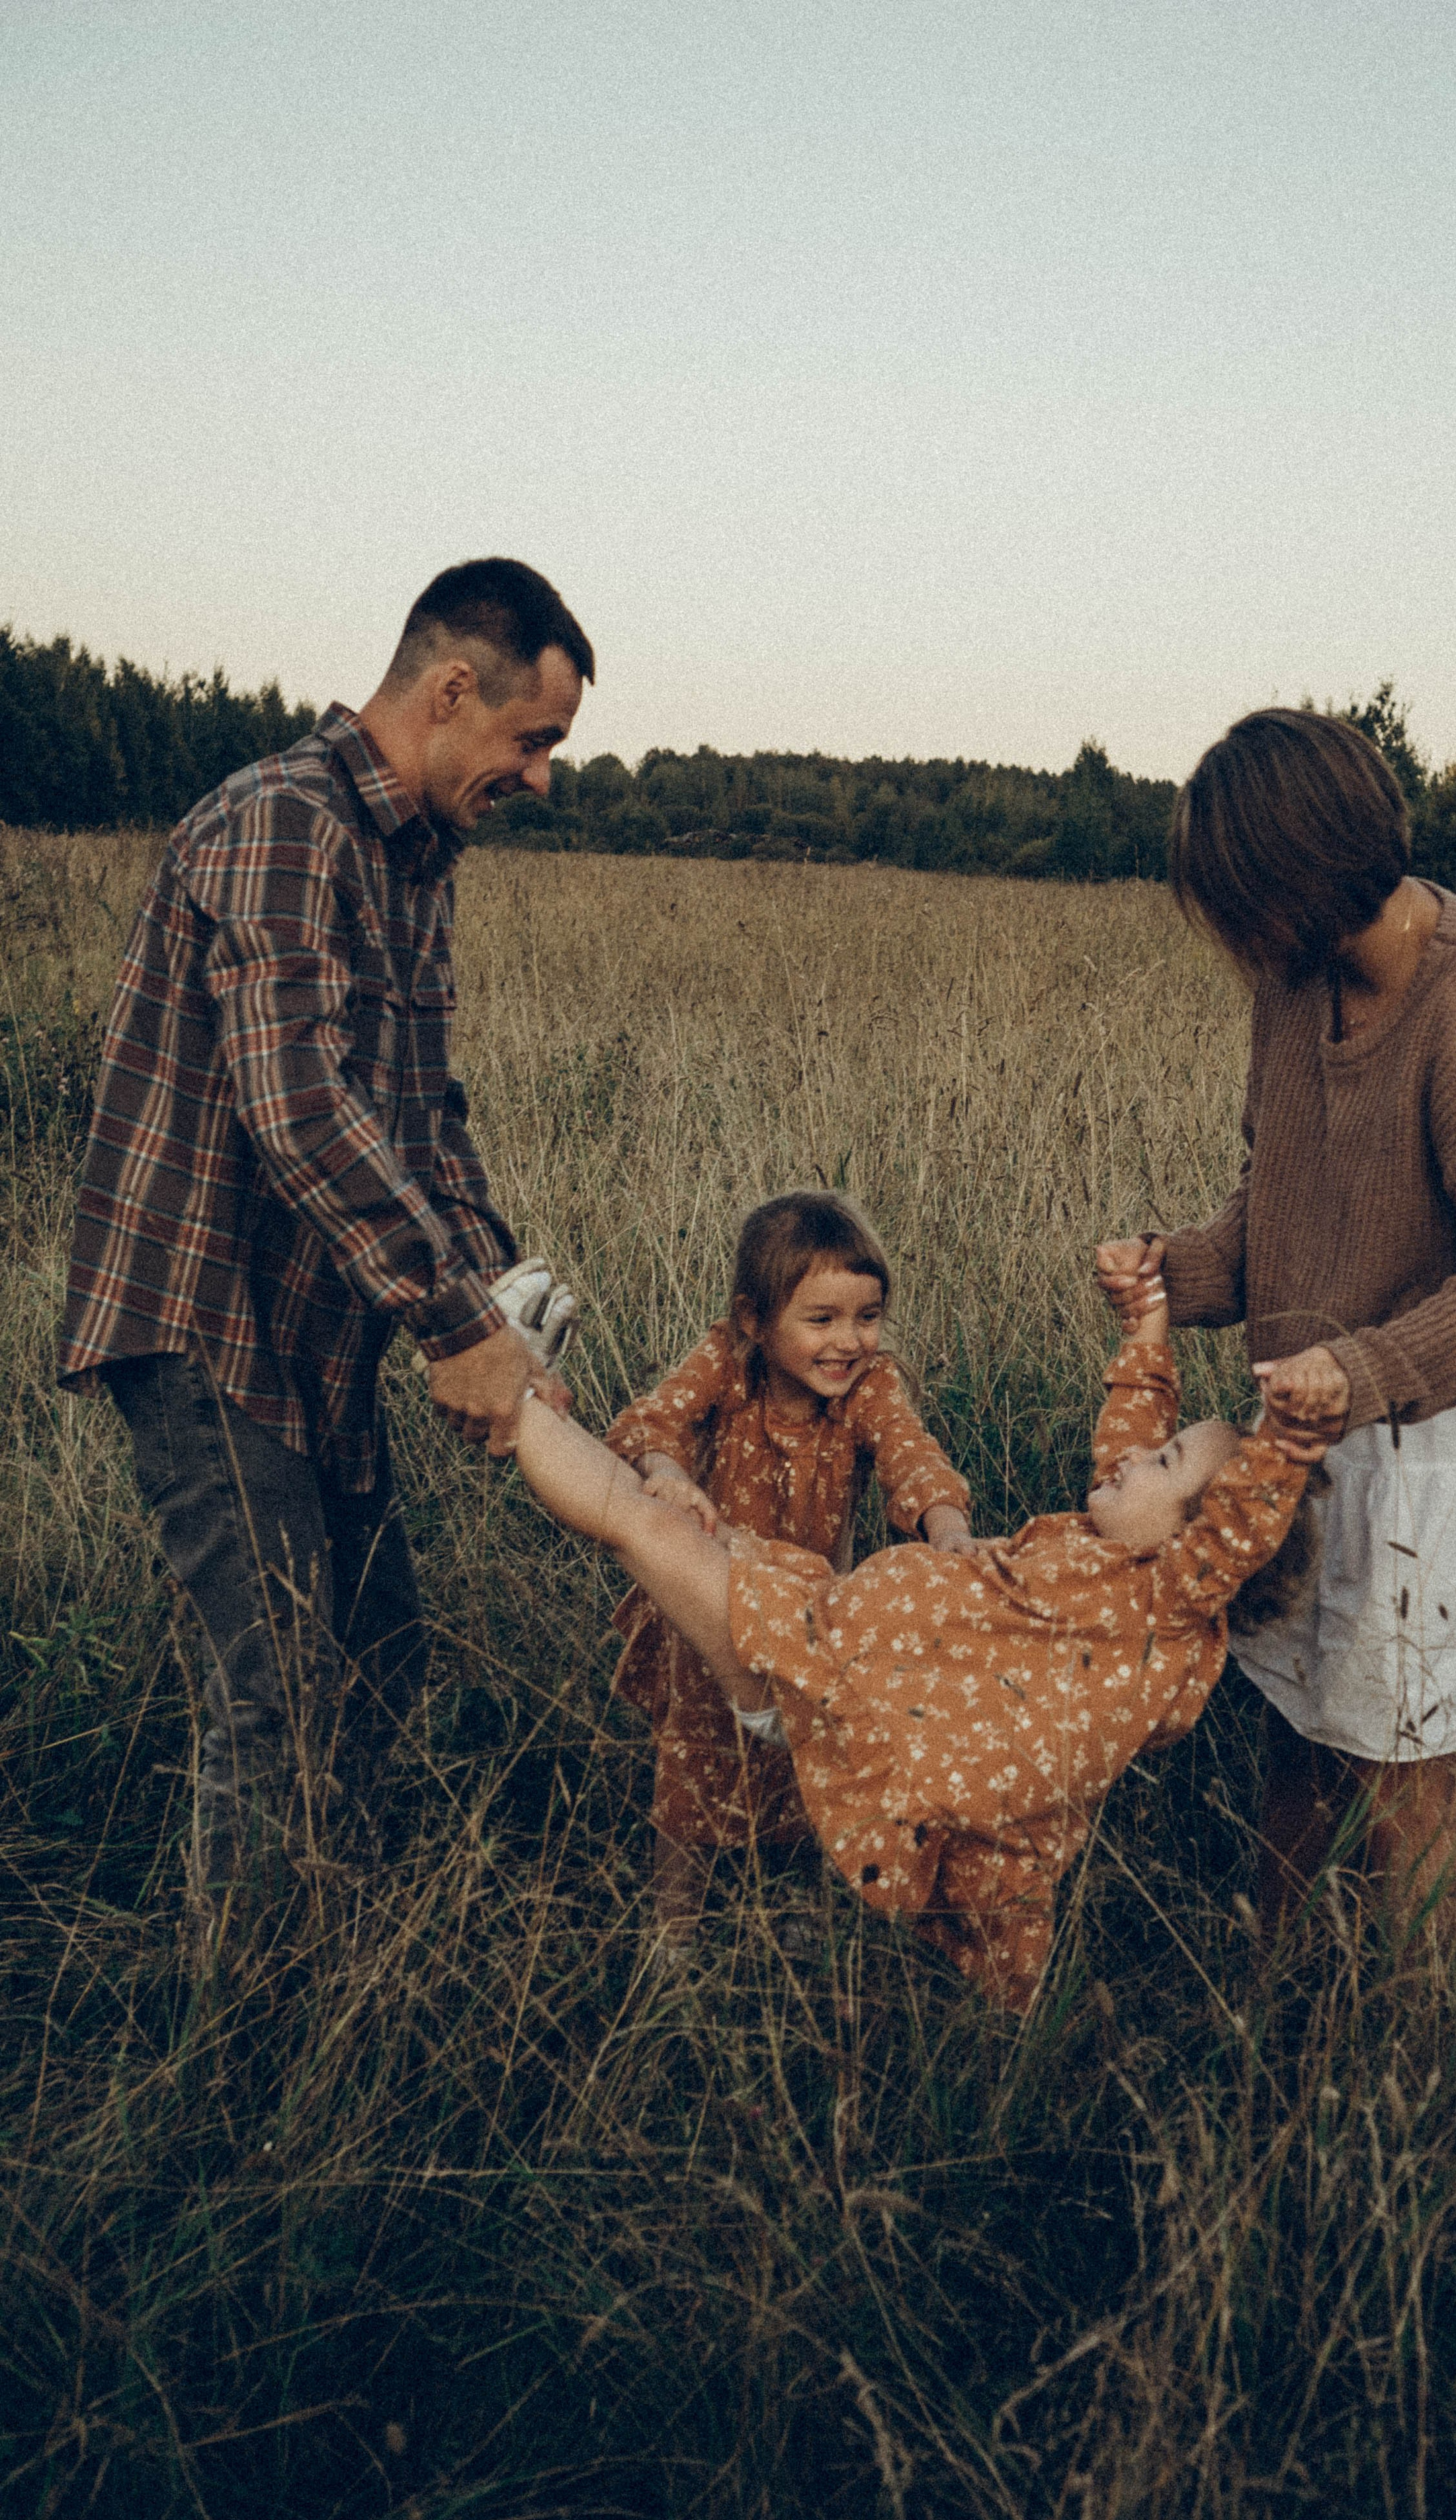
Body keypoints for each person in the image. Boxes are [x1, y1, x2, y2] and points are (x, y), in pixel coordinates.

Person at [58, 557, 590, 1908]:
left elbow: (417, 1109)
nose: (542, 778)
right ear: (451, 689)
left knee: (378, 1662)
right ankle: (239, 2063)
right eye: (534, 740)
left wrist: (501, 1300)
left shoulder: (420, 858)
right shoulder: (285, 821)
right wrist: (452, 1322)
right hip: (205, 1323)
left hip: (317, 1330)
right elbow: (294, 1105)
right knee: (281, 1702)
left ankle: (342, 1964)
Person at [1098, 707, 1456, 1944]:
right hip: (1322, 1422)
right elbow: (1285, 1202)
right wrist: (1171, 1271)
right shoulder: (1297, 987)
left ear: (1294, 882)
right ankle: (1275, 1993)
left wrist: (1370, 1367)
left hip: (1453, 1444)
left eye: (1233, 899)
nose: (1226, 936)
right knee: (1299, 1732)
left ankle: (1426, 2073)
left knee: (1403, 1782)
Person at [519, 1251, 1321, 2011]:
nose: (1133, 1458)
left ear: (1204, 1542)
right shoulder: (1110, 1545)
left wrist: (1285, 1446)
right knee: (659, 1520)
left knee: (639, 1527)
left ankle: (509, 1392)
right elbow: (1130, 1431)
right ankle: (518, 1389)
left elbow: (1235, 1528)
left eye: (1166, 1461)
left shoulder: (1162, 1603)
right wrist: (1146, 1323)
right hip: (824, 1630)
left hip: (833, 1692)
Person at [604, 1190, 974, 1953]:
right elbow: (654, 1419)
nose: (847, 1342)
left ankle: (805, 1915)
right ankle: (672, 1935)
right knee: (695, 1760)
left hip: (812, 1611)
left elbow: (913, 1455)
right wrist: (669, 1473)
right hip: (711, 1602)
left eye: (866, 1318)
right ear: (753, 1321)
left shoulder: (869, 1390)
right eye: (821, 1320)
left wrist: (950, 1531)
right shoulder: (726, 1366)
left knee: (817, 1760)